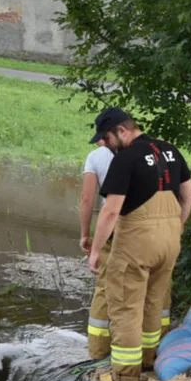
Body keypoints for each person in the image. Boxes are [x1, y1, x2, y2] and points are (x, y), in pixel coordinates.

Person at [87, 108, 191, 381]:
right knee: (154, 303)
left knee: (125, 307)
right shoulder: (170, 150)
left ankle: (124, 374)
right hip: (169, 242)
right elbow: (188, 193)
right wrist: (178, 224)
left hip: (136, 244)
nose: (104, 144)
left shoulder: (126, 159)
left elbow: (111, 212)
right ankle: (149, 360)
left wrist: (97, 250)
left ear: (122, 131)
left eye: (106, 138)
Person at [80, 139, 114, 360]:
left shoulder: (96, 156)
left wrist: (86, 235)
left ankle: (98, 354)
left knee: (105, 288)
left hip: (113, 229)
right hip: (152, 231)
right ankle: (150, 352)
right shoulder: (153, 152)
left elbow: (87, 199)